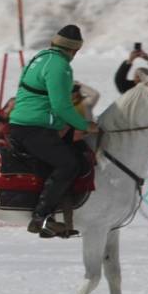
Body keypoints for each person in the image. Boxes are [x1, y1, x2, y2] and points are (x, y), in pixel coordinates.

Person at [8, 25, 97, 237]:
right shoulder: (60, 65)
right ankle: (42, 217)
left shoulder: (40, 57)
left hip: (25, 124)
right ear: (74, 50)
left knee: (73, 153)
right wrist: (85, 125)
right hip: (34, 128)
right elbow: (61, 106)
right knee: (69, 164)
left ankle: (62, 217)